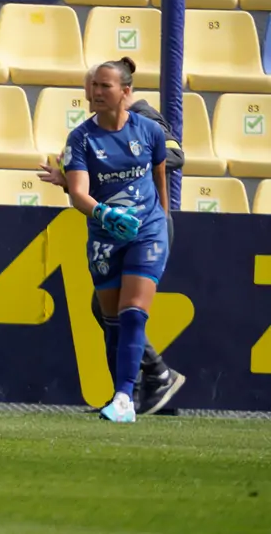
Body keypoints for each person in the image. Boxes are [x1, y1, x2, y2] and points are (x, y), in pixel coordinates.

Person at [39, 67, 186, 416]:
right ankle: (133, 393)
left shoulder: (148, 124)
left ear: (126, 90)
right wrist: (97, 207)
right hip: (106, 237)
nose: (96, 92)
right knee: (110, 316)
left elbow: (165, 167)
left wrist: (162, 219)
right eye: (92, 86)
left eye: (104, 85)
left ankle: (129, 394)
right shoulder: (81, 137)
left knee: (132, 312)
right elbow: (80, 193)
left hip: (147, 229)